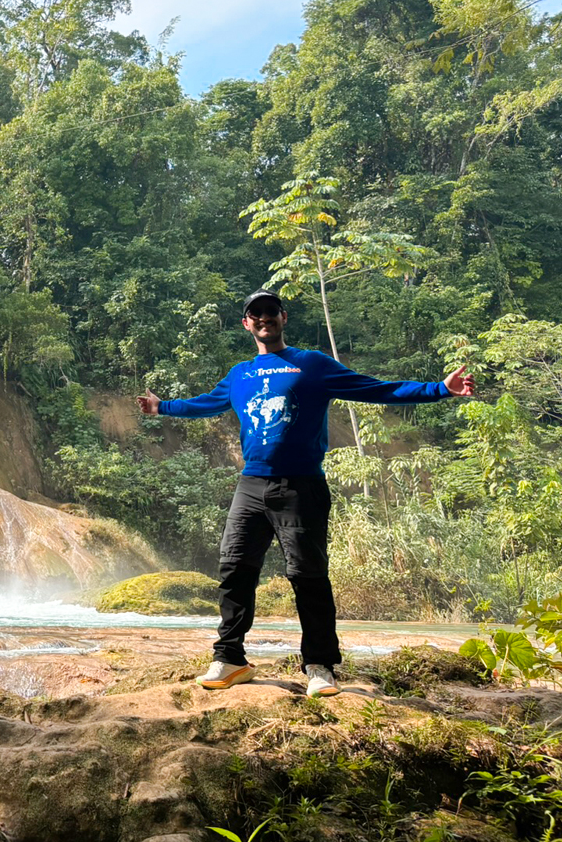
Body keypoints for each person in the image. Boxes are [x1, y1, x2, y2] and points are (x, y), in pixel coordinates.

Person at [137, 289, 474, 697]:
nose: (264, 318)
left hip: (301, 486)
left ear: (282, 318)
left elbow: (375, 388)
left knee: (308, 576)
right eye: (255, 314)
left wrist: (440, 388)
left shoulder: (311, 364)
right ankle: (230, 659)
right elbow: (206, 404)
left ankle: (320, 666)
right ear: (246, 324)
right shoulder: (239, 374)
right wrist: (163, 407)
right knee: (234, 570)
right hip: (251, 484)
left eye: (270, 312)